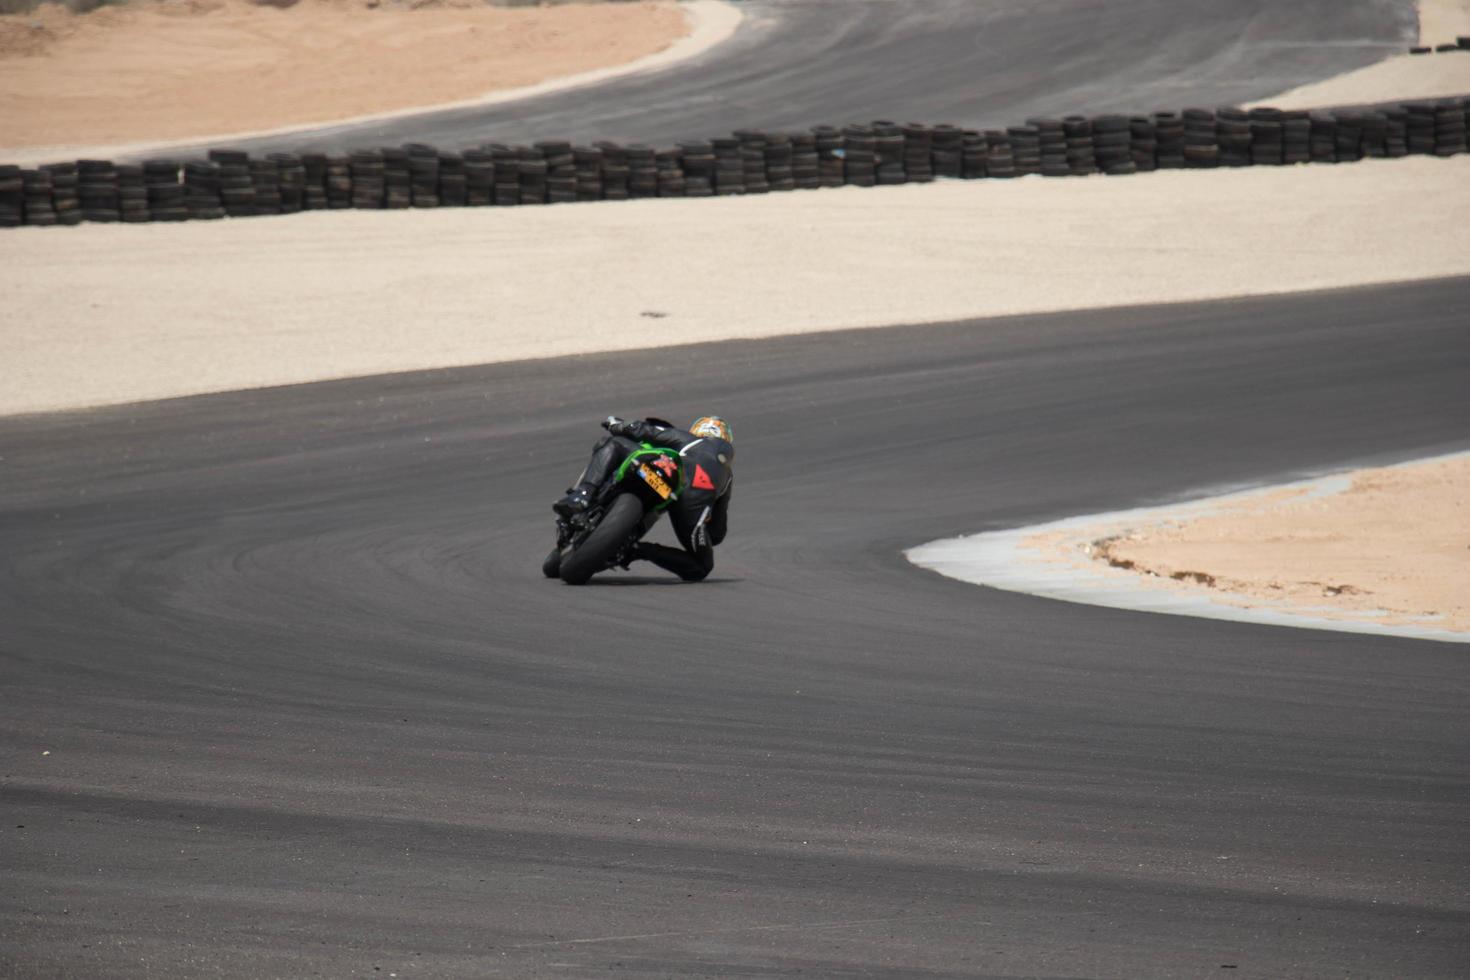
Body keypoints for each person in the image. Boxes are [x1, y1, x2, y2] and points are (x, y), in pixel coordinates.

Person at [554, 415, 734, 581]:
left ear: (698, 431)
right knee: (703, 567)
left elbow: (648, 431)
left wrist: (617, 425)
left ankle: (582, 495)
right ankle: (637, 550)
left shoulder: (690, 439)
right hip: (690, 506)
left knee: (614, 443)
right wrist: (702, 529)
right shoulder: (727, 477)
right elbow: (717, 533)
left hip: (668, 473)